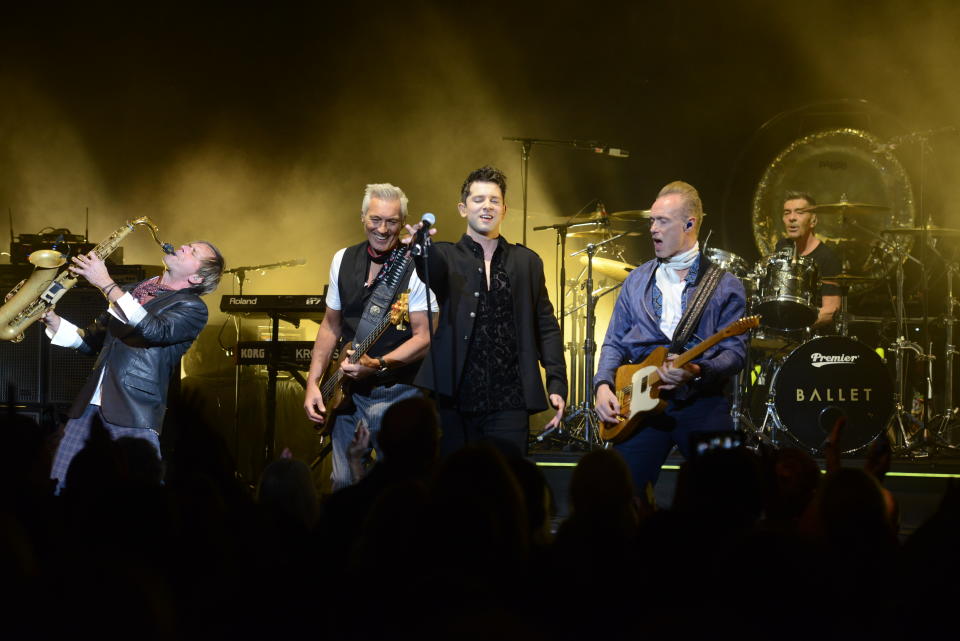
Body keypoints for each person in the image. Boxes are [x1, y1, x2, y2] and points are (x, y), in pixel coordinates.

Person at [593, 181, 747, 493]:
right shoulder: (636, 279)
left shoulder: (726, 285)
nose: (653, 229)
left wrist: (698, 370)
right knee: (620, 496)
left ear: (689, 224)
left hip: (701, 403)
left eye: (662, 221)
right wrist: (602, 385)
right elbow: (614, 341)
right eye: (652, 220)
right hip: (639, 404)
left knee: (728, 494)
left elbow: (735, 351)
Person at [404, 165, 566, 456]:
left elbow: (546, 325)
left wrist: (556, 380)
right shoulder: (445, 255)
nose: (487, 206)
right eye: (478, 199)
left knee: (506, 487)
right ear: (463, 208)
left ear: (504, 208)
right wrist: (421, 247)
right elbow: (432, 270)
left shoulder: (527, 262)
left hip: (510, 399)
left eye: (494, 200)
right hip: (457, 399)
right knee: (457, 489)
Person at [42, 240, 225, 492]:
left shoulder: (192, 308)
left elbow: (153, 331)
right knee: (59, 484)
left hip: (134, 410)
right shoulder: (131, 291)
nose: (183, 247)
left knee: (142, 494)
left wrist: (106, 284)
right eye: (187, 244)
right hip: (89, 405)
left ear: (196, 278)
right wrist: (51, 320)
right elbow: (92, 341)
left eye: (192, 252)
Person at [303, 183, 436, 491]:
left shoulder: (418, 267)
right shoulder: (342, 259)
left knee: (399, 486)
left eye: (391, 221)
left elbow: (424, 338)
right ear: (362, 217)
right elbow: (330, 326)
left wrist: (377, 364)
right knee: (343, 483)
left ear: (402, 222)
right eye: (375, 219)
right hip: (346, 393)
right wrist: (313, 384)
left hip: (396, 392)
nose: (382, 228)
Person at [777, 191, 842, 328]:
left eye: (799, 212)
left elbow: (831, 310)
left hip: (809, 335)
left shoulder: (827, 258)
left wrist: (795, 326)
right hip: (781, 327)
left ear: (813, 221)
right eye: (787, 212)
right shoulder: (782, 247)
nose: (792, 218)